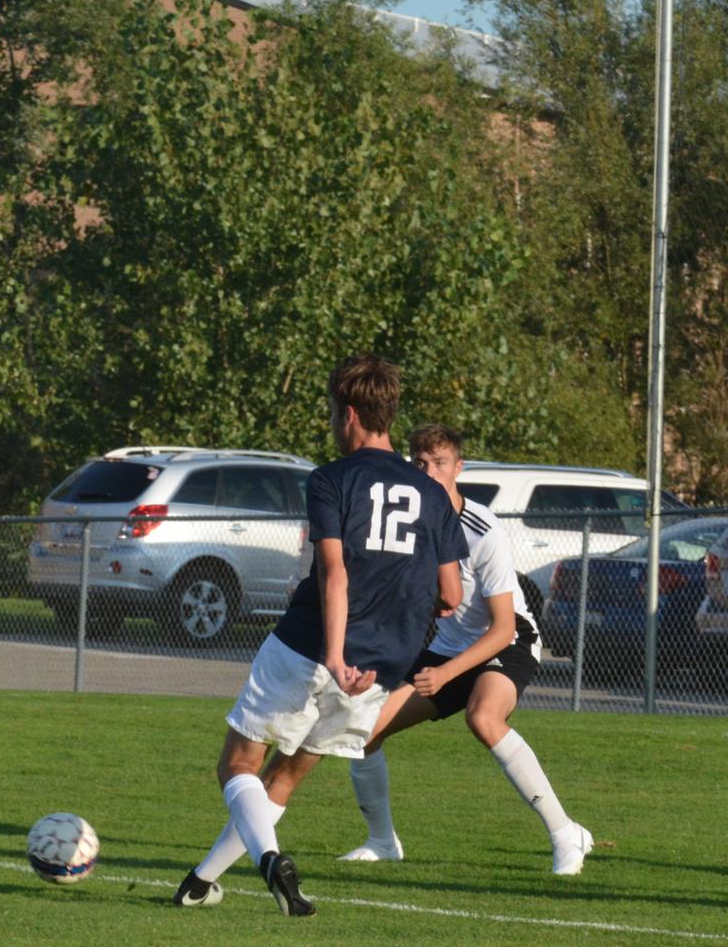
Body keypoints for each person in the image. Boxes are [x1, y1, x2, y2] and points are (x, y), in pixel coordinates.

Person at [173, 354, 463, 916]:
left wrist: (332, 655)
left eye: (334, 412)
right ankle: (201, 881)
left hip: (312, 647)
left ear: (349, 413)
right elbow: (451, 594)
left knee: (238, 767)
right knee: (284, 778)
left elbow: (334, 571)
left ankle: (268, 860)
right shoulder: (431, 492)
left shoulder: (331, 478)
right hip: (382, 665)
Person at [330, 423, 593, 875]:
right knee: (363, 730)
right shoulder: (408, 524)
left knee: (483, 717)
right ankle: (382, 841)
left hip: (506, 644)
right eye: (420, 463)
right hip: (446, 651)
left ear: (458, 468)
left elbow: (503, 626)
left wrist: (447, 674)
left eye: (440, 463)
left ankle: (565, 833)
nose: (429, 472)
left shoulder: (481, 529)